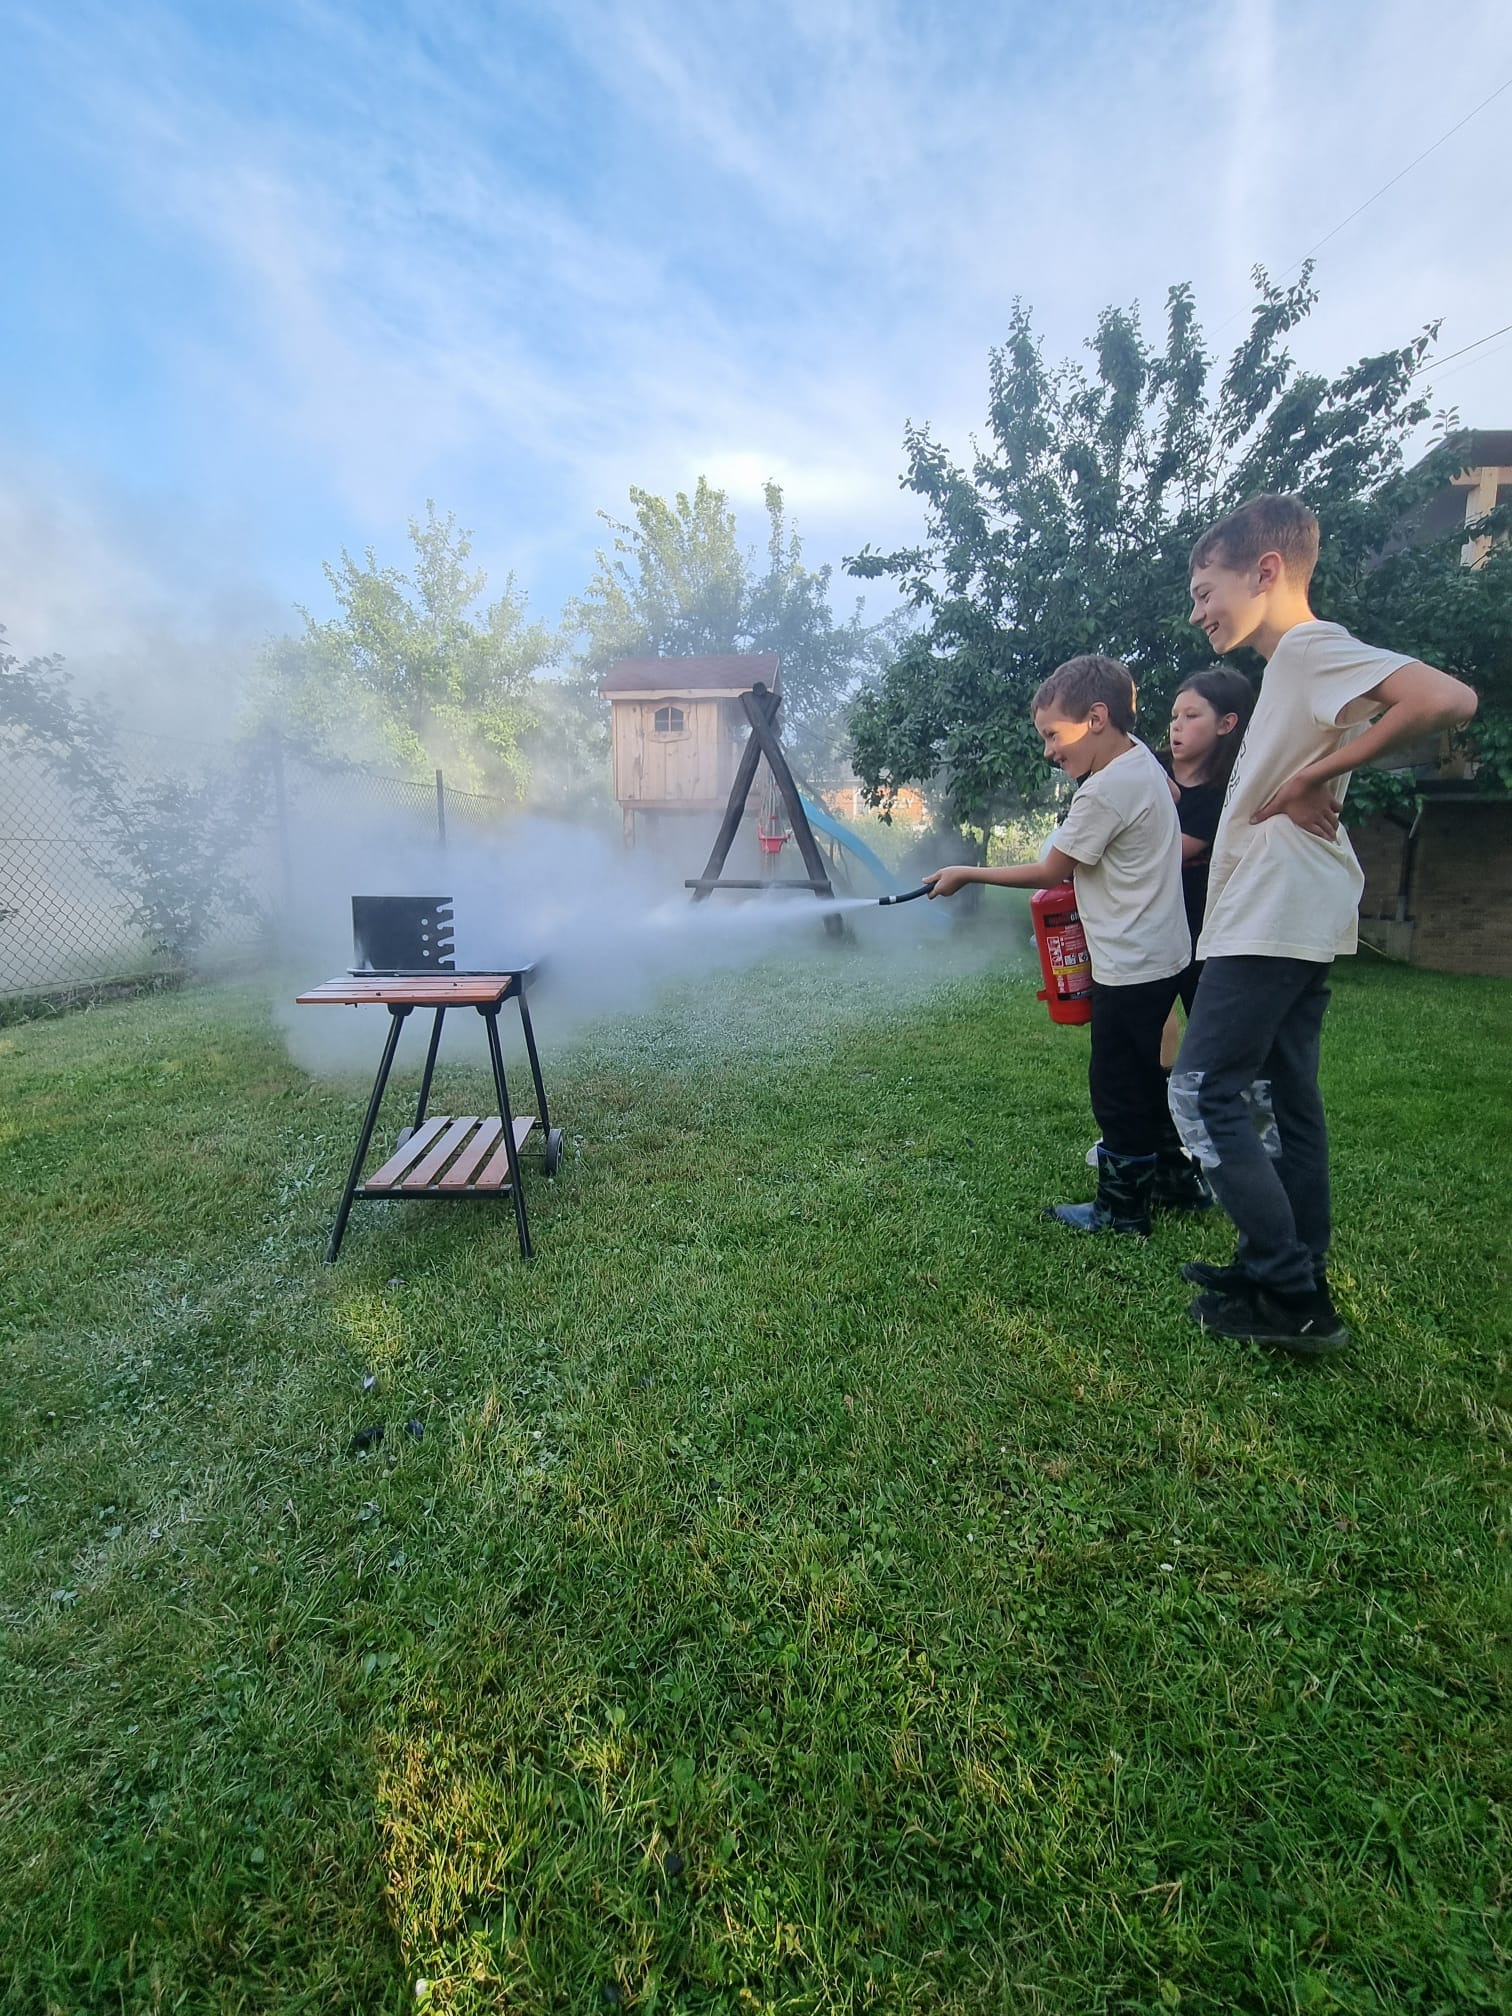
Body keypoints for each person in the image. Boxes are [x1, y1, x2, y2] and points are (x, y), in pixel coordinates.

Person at [1172, 493, 1478, 1353]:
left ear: (1267, 571)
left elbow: (1444, 697)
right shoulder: (1287, 672)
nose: (1198, 613)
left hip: (1272, 912)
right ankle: (1286, 1259)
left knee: (1199, 1092)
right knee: (1284, 1098)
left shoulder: (1306, 648)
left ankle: (1290, 1292)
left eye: (1206, 590)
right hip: (1295, 908)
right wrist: (1317, 774)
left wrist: (1318, 778)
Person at [924, 654, 1199, 1234]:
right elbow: (1172, 794)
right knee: (1148, 1073)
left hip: (1128, 962)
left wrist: (968, 874)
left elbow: (1052, 870)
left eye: (1053, 734)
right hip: (1165, 951)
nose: (1048, 750)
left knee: (1118, 1085)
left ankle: (1122, 1211)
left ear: (1097, 718)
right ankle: (1176, 1184)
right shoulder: (1140, 757)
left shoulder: (1102, 791)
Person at [1160, 667, 1256, 1015]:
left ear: (1226, 724)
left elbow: (1171, 853)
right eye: (1174, 716)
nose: (1177, 725)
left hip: (1200, 931)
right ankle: (1161, 1070)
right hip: (1144, 924)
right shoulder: (1147, 767)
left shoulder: (1225, 792)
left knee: (1207, 1022)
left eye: (1191, 715)